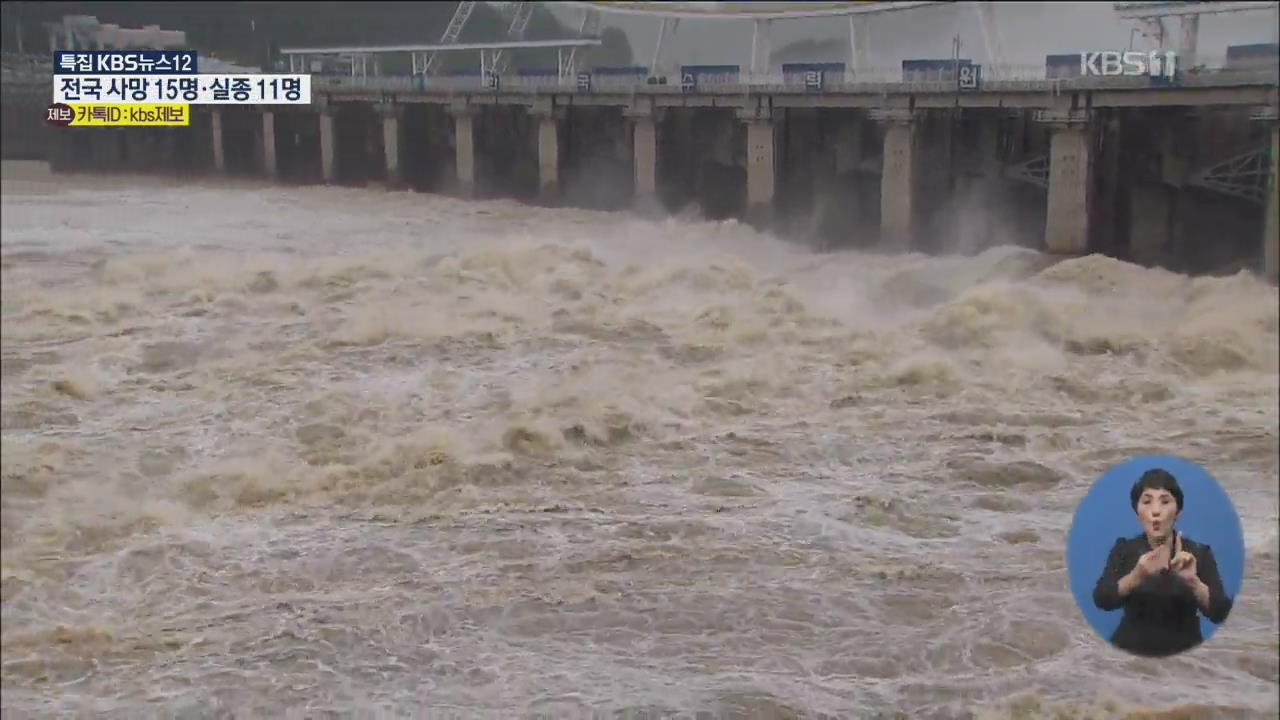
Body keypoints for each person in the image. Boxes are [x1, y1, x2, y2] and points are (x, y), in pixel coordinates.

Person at [1092, 468, 1234, 657]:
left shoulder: (1199, 553)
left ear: (1178, 512)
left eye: (1165, 501)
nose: (1156, 511)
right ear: (1137, 513)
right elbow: (1102, 599)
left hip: (1185, 656)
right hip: (1129, 656)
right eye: (1147, 501)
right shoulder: (1124, 549)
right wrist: (1137, 576)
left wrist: (1193, 582)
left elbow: (1220, 613)